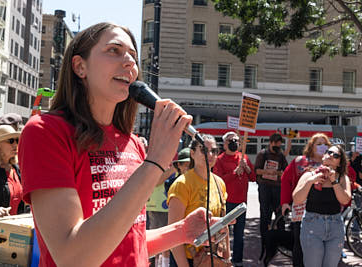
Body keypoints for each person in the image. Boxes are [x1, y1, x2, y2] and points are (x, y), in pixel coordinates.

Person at [18, 22, 220, 267]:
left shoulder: (132, 143)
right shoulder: (45, 132)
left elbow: (124, 243)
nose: (129, 63)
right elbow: (73, 257)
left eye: (133, 56)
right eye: (114, 50)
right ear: (80, 66)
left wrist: (181, 231)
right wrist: (154, 162)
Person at [167, 135, 229, 267]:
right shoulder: (182, 184)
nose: (210, 155)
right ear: (192, 153)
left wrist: (227, 258)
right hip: (187, 259)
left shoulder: (219, 183)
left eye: (214, 151)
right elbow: (172, 234)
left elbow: (224, 224)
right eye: (204, 150)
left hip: (212, 257)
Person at [293, 145, 351, 267]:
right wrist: (311, 181)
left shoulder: (342, 178)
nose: (331, 155)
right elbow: (297, 199)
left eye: (335, 155)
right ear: (323, 155)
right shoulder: (309, 174)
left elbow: (345, 200)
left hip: (335, 226)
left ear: (340, 163)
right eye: (329, 152)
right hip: (312, 225)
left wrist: (334, 181)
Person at [280, 133, 330, 267]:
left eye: (325, 144)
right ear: (311, 146)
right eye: (318, 144)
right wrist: (285, 202)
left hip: (324, 213)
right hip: (301, 211)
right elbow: (286, 180)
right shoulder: (299, 161)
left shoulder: (332, 164)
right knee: (300, 245)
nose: (322, 147)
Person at [213, 131, 256, 267]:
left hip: (241, 203)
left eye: (236, 140)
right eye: (231, 140)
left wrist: (247, 169)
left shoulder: (244, 158)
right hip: (226, 203)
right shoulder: (219, 160)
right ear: (224, 144)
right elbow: (217, 180)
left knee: (239, 235)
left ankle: (238, 261)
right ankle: (222, 260)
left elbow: (253, 178)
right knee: (223, 234)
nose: (234, 143)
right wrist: (234, 173)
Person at [254, 133, 288, 252]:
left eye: (279, 145)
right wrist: (267, 171)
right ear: (270, 143)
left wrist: (278, 173)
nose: (277, 147)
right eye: (275, 145)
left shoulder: (281, 156)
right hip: (264, 187)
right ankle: (265, 240)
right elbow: (257, 170)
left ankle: (281, 240)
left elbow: (285, 170)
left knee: (280, 215)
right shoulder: (263, 154)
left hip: (277, 188)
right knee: (265, 214)